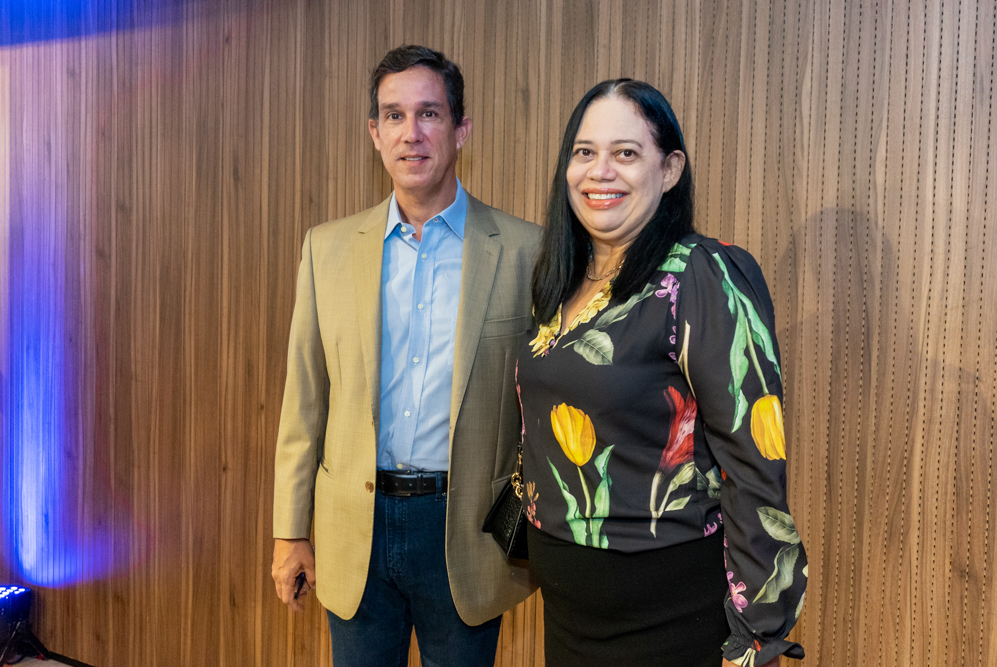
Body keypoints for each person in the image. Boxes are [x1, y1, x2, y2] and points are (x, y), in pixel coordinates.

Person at [516, 79, 807, 667]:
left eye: (626, 153)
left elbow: (754, 464)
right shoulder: (561, 278)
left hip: (671, 618)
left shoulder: (702, 275)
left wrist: (755, 636)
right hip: (569, 615)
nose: (600, 171)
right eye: (584, 151)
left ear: (669, 169)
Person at [271, 45, 539, 667]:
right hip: (354, 530)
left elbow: (546, 405)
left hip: (466, 534)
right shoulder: (327, 249)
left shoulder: (526, 252)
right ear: (375, 132)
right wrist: (290, 531)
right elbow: (303, 404)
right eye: (394, 116)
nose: (410, 133)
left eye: (429, 114)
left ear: (461, 129)